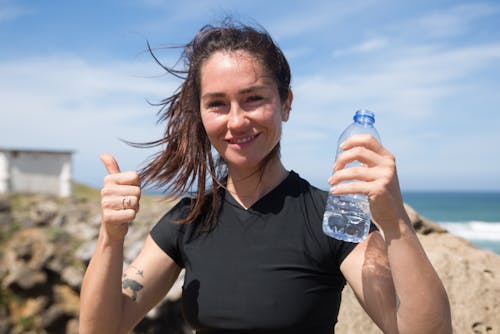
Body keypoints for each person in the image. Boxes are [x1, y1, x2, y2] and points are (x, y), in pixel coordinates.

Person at [79, 21, 452, 334]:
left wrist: (394, 219)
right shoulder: (188, 220)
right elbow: (101, 329)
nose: (237, 121)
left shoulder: (330, 220)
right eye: (217, 104)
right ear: (201, 114)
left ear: (286, 103)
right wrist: (111, 236)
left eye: (254, 98)